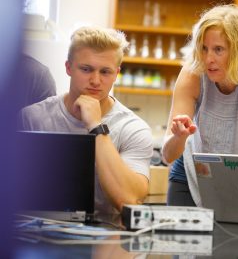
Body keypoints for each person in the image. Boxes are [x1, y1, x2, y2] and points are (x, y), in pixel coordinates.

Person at [162, 4, 238, 206]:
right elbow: (168, 156)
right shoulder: (193, 74)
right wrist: (179, 136)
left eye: (218, 49)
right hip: (191, 174)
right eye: (204, 48)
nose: (208, 59)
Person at [19, 26, 153, 213]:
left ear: (116, 73)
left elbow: (129, 200)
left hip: (106, 235)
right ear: (68, 68)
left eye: (105, 72)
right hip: (36, 232)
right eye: (86, 69)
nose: (96, 81)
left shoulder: (132, 128)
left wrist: (96, 126)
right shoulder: (32, 118)